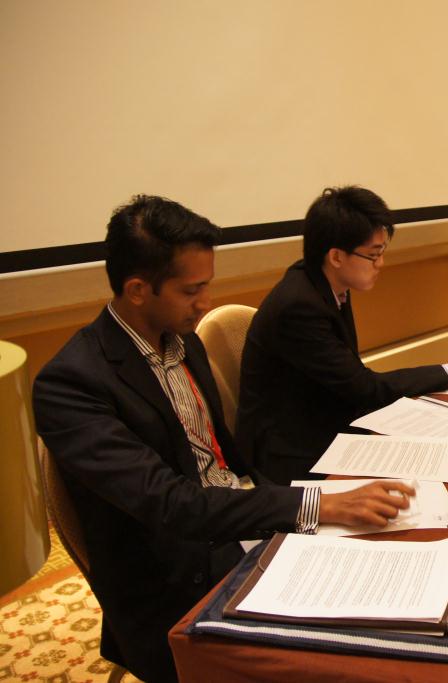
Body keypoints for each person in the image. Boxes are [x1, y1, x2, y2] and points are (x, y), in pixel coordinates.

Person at [32, 196, 415, 683]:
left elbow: (224, 464)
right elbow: (172, 504)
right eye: (192, 290)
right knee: (358, 651)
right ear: (137, 290)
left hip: (241, 520)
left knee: (391, 567)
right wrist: (316, 505)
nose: (205, 303)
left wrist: (302, 506)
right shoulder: (72, 384)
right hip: (177, 578)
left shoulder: (182, 339)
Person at [236, 186, 448, 484]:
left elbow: (353, 383)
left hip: (322, 419)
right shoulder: (299, 306)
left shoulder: (324, 281)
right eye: (373, 255)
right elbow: (363, 388)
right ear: (336, 256)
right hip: (290, 451)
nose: (381, 264)